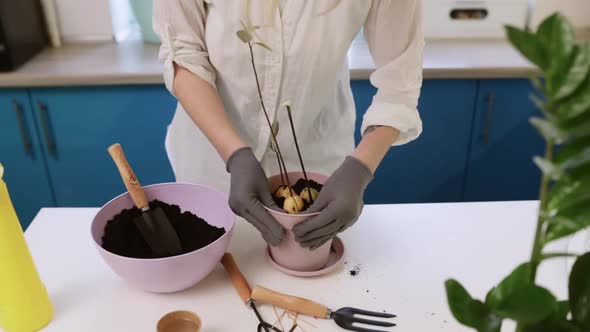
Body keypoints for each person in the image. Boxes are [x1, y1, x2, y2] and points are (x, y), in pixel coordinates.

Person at [153, 0, 424, 250]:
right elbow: (184, 54)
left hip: (316, 159)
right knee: (220, 280)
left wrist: (359, 169)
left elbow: (399, 82)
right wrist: (233, 154)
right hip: (211, 160)